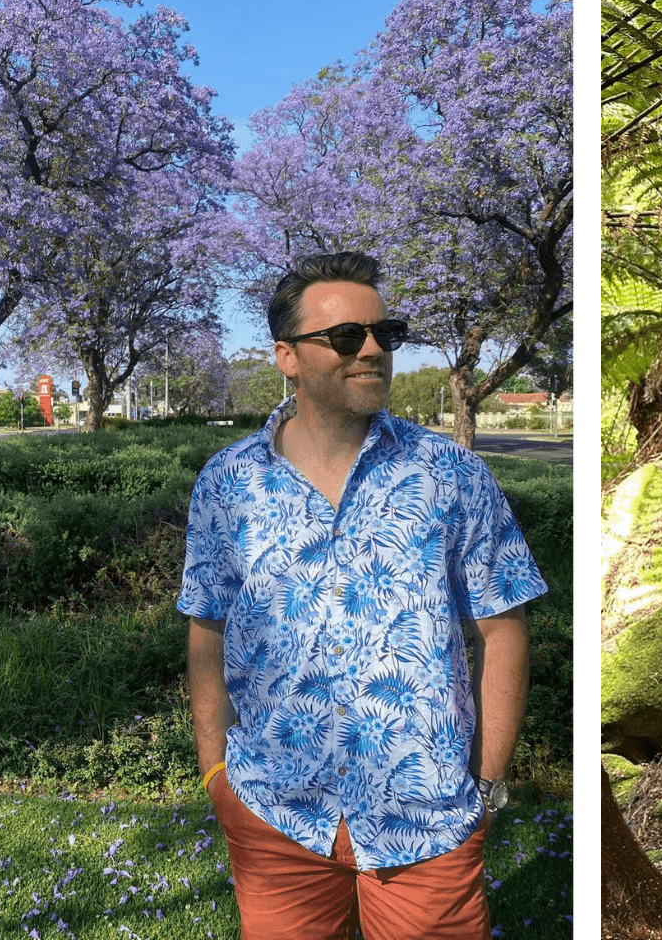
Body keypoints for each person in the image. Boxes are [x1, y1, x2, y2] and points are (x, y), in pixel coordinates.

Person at [179, 251, 545, 939]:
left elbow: (504, 627)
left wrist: (487, 784)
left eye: (387, 333)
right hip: (273, 812)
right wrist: (216, 777)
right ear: (287, 356)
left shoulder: (450, 475)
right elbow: (208, 629)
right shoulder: (228, 484)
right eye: (348, 336)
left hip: (427, 817)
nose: (373, 350)